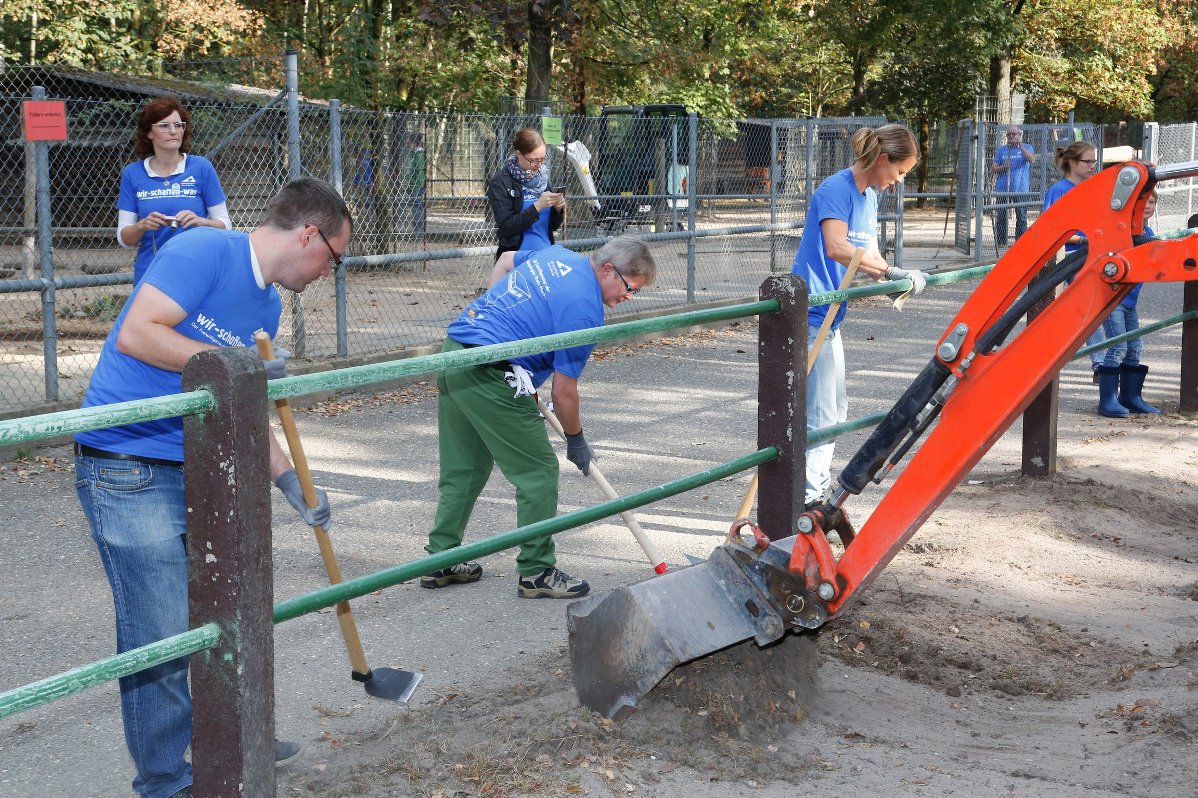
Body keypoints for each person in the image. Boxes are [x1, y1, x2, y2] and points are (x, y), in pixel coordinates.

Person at [74, 177, 351, 798]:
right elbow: (138, 333)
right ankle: (167, 781)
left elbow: (245, 404)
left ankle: (230, 738)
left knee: (229, 613)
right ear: (309, 235)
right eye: (335, 258)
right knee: (163, 633)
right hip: (126, 463)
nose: (330, 273)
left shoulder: (267, 307)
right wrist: (237, 365)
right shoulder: (206, 252)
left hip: (202, 466)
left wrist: (288, 480)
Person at [421, 237, 655, 599]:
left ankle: (440, 558)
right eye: (629, 288)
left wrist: (497, 323)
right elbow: (563, 394)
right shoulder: (585, 311)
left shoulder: (559, 255)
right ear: (607, 270)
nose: (629, 297)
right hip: (492, 374)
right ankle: (536, 571)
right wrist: (576, 440)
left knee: (464, 469)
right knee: (539, 473)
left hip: (455, 353)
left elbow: (506, 260)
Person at [791, 123, 926, 510]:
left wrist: (895, 276)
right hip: (814, 310)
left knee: (836, 407)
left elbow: (870, 255)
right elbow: (836, 246)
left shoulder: (868, 196)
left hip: (833, 315)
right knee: (821, 410)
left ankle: (812, 490)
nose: (898, 182)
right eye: (899, 172)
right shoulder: (837, 189)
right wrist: (885, 273)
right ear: (883, 158)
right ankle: (809, 498)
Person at [118, 98, 231, 284]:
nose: (173, 131)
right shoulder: (133, 173)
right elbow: (124, 239)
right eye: (164, 125)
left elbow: (226, 225)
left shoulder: (202, 167)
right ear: (148, 133)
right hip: (151, 274)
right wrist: (142, 225)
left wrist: (200, 221)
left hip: (197, 271)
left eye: (178, 125)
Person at [1097, 189, 1161, 417]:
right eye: (1143, 202)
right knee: (1118, 347)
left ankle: (1130, 396)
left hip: (1130, 301)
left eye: (1152, 202)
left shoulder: (1149, 233)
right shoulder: (1123, 233)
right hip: (1114, 299)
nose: (1148, 206)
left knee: (1135, 348)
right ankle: (1107, 400)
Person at [1042, 141, 1101, 380]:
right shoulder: (1059, 190)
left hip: (1088, 254)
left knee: (1087, 306)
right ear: (1072, 163)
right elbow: (1051, 228)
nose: (1092, 166)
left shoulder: (1092, 188)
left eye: (1094, 161)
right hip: (1067, 256)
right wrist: (1081, 240)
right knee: (1072, 307)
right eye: (1088, 162)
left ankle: (1100, 362)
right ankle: (1046, 355)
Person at [486, 128, 565, 261]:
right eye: (534, 160)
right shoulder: (501, 182)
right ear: (518, 154)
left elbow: (551, 226)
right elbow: (505, 227)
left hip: (545, 257)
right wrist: (537, 207)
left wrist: (558, 210)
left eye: (542, 159)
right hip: (516, 259)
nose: (539, 165)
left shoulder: (543, 179)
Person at [992, 125, 1038, 246]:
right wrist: (1003, 166)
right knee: (1001, 216)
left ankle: (1020, 243)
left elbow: (1032, 159)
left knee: (1021, 217)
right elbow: (994, 168)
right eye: (1009, 135)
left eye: (1014, 134)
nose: (1011, 137)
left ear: (1019, 134)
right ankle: (1001, 242)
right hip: (1002, 189)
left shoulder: (1027, 147)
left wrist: (1020, 145)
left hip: (1020, 188)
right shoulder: (1001, 150)